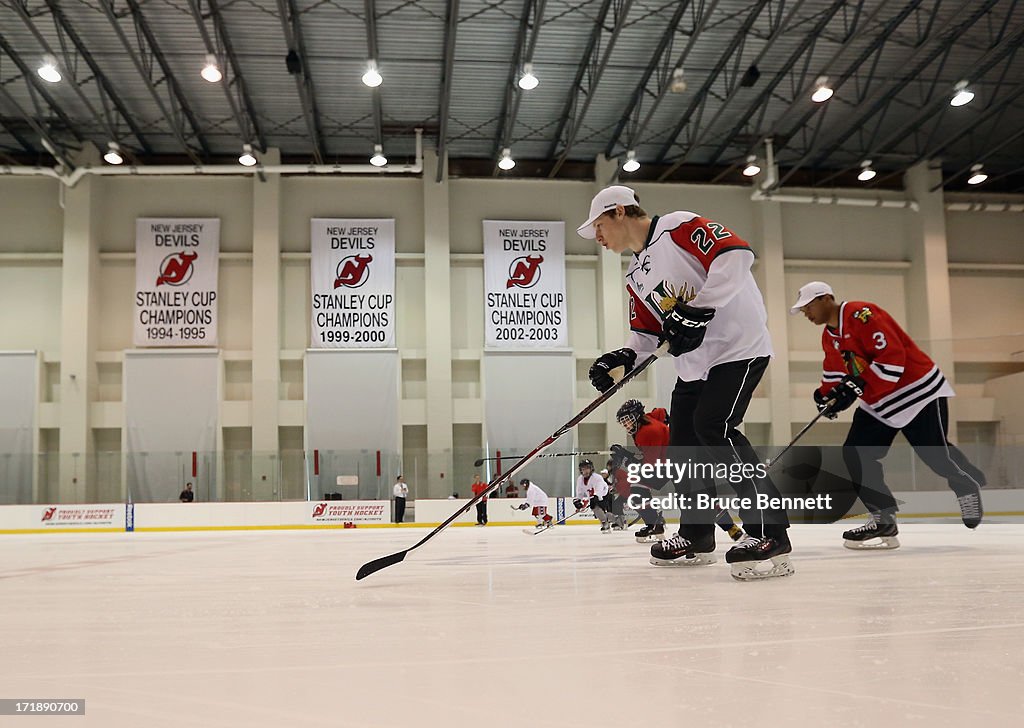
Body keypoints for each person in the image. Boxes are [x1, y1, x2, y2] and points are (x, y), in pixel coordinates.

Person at [578, 185, 792, 580]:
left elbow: (736, 255)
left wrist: (699, 309)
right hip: (694, 365)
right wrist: (623, 357)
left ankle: (770, 532)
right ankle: (697, 534)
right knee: (684, 446)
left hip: (738, 348)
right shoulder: (633, 274)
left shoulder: (676, 226)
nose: (598, 237)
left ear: (620, 212)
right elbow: (646, 334)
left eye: (599, 226)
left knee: (716, 428)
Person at [792, 281, 985, 548]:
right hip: (879, 401)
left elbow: (892, 356)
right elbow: (836, 372)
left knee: (934, 454)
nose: (806, 313)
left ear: (827, 299)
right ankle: (883, 518)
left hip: (917, 391)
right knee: (856, 455)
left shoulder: (863, 314)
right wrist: (828, 396)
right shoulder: (829, 336)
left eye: (808, 306)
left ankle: (965, 485)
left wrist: (857, 386)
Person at [575, 459, 612, 533]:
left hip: (604, 494)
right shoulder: (580, 479)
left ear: (591, 469)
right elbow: (580, 492)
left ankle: (606, 523)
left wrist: (595, 497)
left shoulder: (597, 478)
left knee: (596, 508)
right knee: (597, 510)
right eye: (583, 469)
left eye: (587, 468)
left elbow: (599, 490)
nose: (585, 471)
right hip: (593, 495)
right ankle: (610, 519)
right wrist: (577, 500)